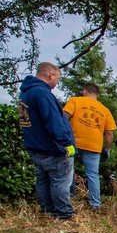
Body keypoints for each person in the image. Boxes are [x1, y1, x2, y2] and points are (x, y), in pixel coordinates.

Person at [18, 62, 77, 220]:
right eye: (57, 78)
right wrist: (66, 143)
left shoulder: (26, 93)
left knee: (43, 180)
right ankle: (64, 213)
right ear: (51, 75)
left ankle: (47, 211)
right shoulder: (42, 94)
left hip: (35, 146)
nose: (57, 82)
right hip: (52, 147)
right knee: (60, 181)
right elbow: (54, 122)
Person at [63, 83, 117, 210]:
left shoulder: (75, 101)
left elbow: (64, 117)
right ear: (97, 95)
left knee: (68, 170)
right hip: (93, 146)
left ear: (85, 91)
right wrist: (107, 150)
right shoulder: (105, 110)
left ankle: (70, 197)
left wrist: (62, 136)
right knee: (93, 174)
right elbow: (109, 133)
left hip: (72, 143)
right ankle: (95, 204)